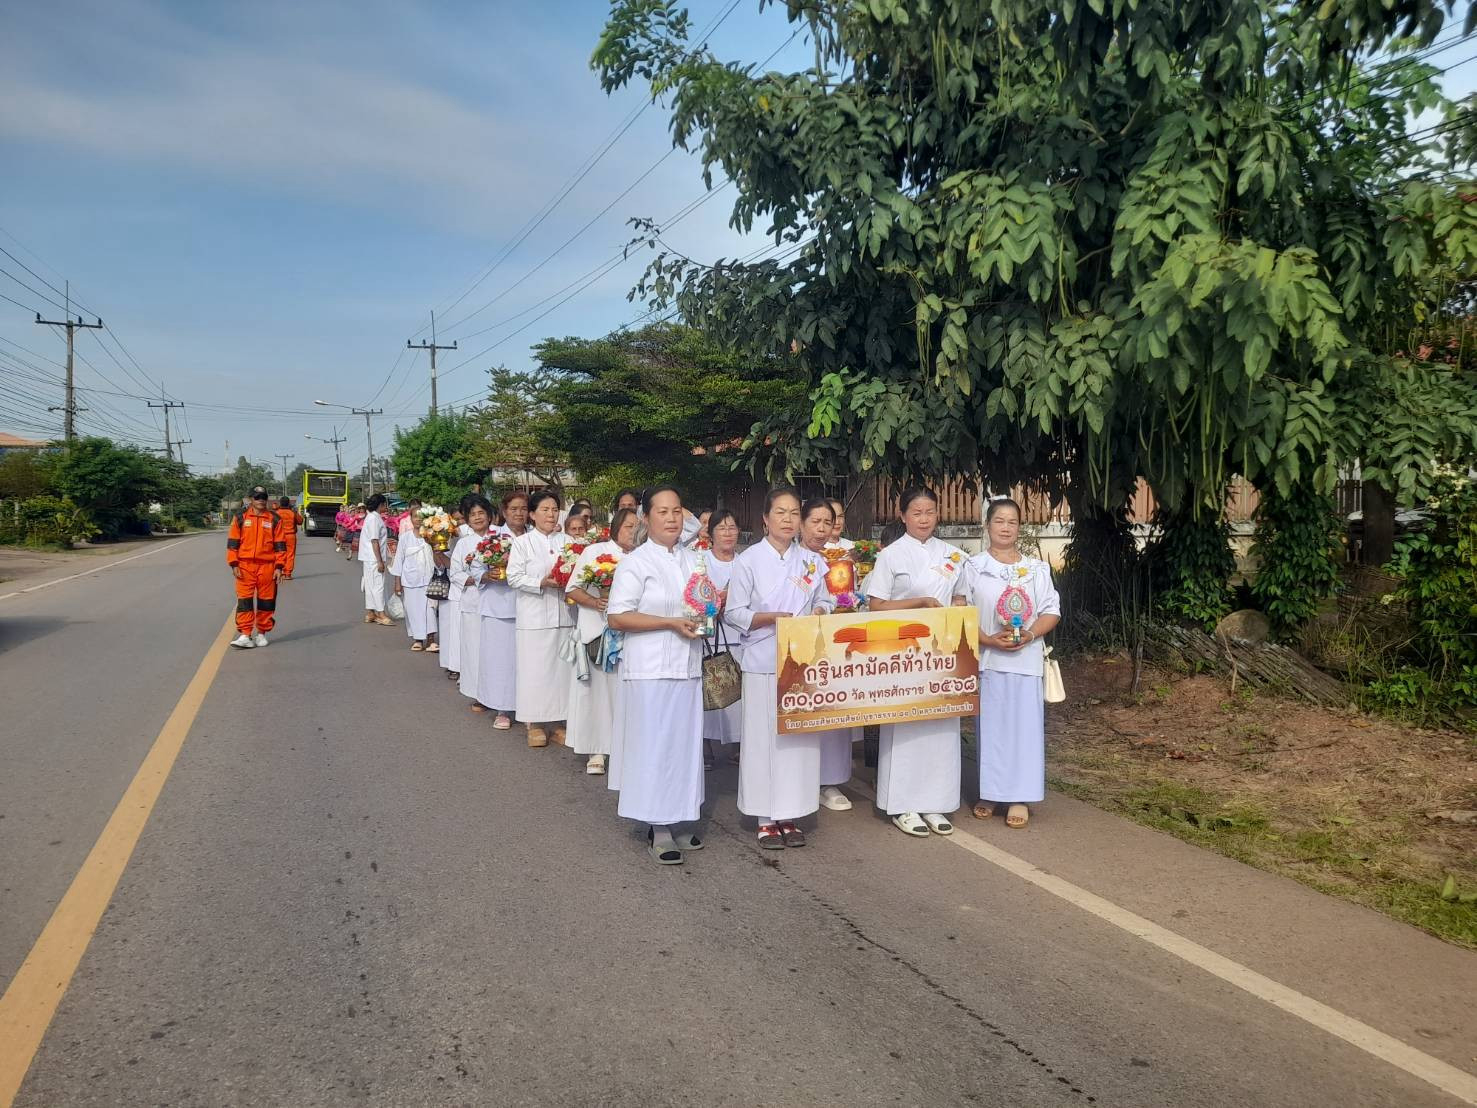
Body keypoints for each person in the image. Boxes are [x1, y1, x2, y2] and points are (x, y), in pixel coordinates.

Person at [724, 487, 834, 850]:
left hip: (801, 661)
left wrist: (819, 611)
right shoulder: (748, 560)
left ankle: (791, 812)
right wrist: (769, 617)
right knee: (763, 740)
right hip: (761, 659)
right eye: (780, 513)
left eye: (793, 513)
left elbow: (825, 599)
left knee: (797, 739)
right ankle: (765, 817)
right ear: (765, 519)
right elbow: (734, 612)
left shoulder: (813, 562)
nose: (787, 520)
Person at [606, 486, 707, 864]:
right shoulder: (636, 562)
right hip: (649, 670)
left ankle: (680, 818)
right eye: (662, 512)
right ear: (646, 518)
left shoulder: (693, 560)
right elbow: (617, 616)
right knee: (654, 749)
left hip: (687, 668)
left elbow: (702, 604)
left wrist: (709, 612)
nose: (671, 518)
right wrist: (668, 622)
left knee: (682, 748)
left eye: (677, 511)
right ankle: (658, 828)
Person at [864, 486, 966, 838]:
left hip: (942, 653)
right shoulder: (891, 556)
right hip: (903, 653)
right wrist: (918, 603)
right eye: (917, 512)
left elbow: (960, 599)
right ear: (903, 515)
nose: (924, 519)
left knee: (940, 726)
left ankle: (936, 801)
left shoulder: (954, 555)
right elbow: (875, 606)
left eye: (930, 512)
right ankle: (902, 804)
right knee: (906, 726)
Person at [955, 498, 1061, 829]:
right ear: (987, 526)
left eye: (1012, 521)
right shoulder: (973, 567)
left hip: (1026, 659)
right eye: (998, 520)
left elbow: (1051, 610)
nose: (1005, 527)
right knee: (992, 730)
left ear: (1019, 527)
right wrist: (987, 639)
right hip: (988, 658)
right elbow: (960, 610)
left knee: (1025, 731)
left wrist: (1029, 635)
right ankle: (991, 791)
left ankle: (1020, 796)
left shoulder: (1036, 569)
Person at [566, 507, 639, 774]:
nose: (633, 531)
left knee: (626, 695)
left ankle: (626, 750)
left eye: (637, 526)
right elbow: (572, 588)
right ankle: (596, 750)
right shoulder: (595, 553)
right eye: (629, 526)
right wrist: (596, 601)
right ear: (616, 527)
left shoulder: (643, 556)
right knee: (598, 695)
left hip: (633, 636)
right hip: (599, 632)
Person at [799, 499, 858, 813]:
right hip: (797, 646)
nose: (822, 529)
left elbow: (849, 598)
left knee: (833, 711)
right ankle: (801, 779)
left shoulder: (845, 559)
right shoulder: (792, 558)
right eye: (815, 522)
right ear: (802, 522)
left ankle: (830, 780)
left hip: (836, 644)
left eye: (828, 522)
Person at [507, 491, 571, 747]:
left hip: (564, 615)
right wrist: (540, 582)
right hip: (533, 617)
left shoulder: (568, 541)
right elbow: (513, 577)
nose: (550, 514)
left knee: (561, 673)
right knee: (535, 672)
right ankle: (534, 723)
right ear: (532, 515)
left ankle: (558, 722)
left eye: (554, 509)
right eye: (544, 509)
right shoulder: (523, 543)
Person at [701, 509, 743, 769]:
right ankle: (705, 747)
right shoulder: (700, 561)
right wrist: (716, 602)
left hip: (739, 634)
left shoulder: (745, 562)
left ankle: (740, 746)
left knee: (738, 694)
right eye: (722, 528)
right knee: (707, 691)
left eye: (732, 527)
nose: (728, 533)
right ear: (711, 534)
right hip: (710, 635)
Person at [451, 496, 497, 714]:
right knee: (474, 649)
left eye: (481, 513)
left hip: (499, 602)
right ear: (467, 520)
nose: (478, 518)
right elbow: (455, 573)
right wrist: (479, 578)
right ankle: (479, 694)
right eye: (473, 515)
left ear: (489, 515)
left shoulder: (502, 537)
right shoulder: (463, 543)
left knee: (496, 649)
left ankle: (498, 693)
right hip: (472, 602)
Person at [226, 486, 287, 649]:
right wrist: (234, 563)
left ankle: (261, 633)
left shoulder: (274, 519)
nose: (261, 499)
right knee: (244, 601)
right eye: (257, 496)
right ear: (251, 499)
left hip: (267, 566)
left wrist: (279, 567)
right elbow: (233, 543)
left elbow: (280, 545)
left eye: (263, 497)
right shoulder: (240, 517)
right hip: (245, 566)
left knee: (266, 602)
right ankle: (245, 634)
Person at [391, 500, 439, 653]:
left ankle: (431, 639)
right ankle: (418, 639)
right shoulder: (405, 538)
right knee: (413, 610)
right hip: (411, 581)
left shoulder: (432, 536)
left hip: (429, 580)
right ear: (410, 519)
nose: (418, 519)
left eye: (420, 516)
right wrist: (397, 582)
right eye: (415, 517)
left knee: (430, 610)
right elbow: (399, 560)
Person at [438, 499, 474, 682]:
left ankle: (465, 669)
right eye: (456, 520)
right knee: (455, 631)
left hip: (475, 589)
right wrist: (436, 549)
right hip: (458, 588)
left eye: (461, 519)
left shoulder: (470, 534)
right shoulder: (451, 536)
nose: (460, 523)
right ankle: (456, 667)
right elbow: (449, 564)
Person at [359, 494, 392, 625]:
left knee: (370, 584)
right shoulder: (373, 519)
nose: (386, 506)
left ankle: (371, 612)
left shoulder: (374, 517)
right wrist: (379, 561)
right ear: (380, 505)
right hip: (373, 557)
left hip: (370, 557)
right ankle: (381, 613)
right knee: (377, 585)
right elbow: (374, 540)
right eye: (384, 504)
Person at [275, 496, 302, 578]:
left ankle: (280, 570)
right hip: (290, 536)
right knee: (290, 554)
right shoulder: (292, 512)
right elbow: (300, 522)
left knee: (279, 553)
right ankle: (288, 574)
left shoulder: (276, 513)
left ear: (280, 503)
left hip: (279, 536)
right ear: (288, 503)